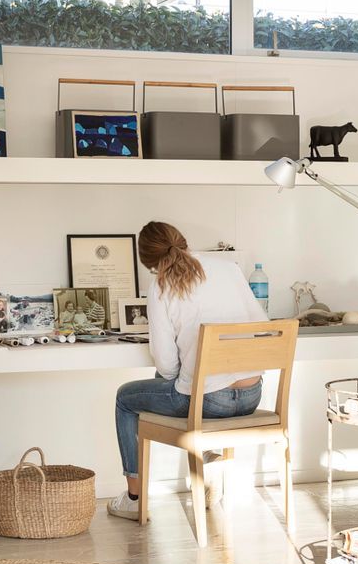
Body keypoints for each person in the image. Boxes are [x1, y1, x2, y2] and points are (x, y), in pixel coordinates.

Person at [109, 222, 266, 521]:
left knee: (126, 399)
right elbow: (261, 325)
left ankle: (134, 498)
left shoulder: (161, 285)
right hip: (252, 394)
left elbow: (165, 364)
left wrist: (186, 370)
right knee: (187, 384)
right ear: (182, 241)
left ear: (147, 261)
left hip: (208, 401)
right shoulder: (229, 269)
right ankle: (209, 456)